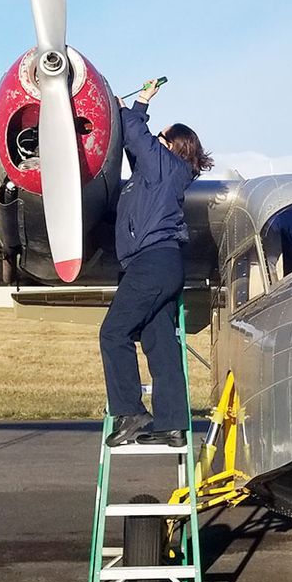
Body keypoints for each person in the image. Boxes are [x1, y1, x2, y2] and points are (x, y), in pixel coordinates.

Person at [99, 78, 213, 447]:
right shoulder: (158, 174)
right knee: (161, 346)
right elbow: (134, 146)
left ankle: (129, 412)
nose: (153, 142)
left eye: (159, 138)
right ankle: (172, 424)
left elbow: (135, 133)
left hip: (150, 263)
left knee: (113, 334)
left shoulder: (164, 166)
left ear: (171, 147)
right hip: (163, 265)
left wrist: (137, 104)